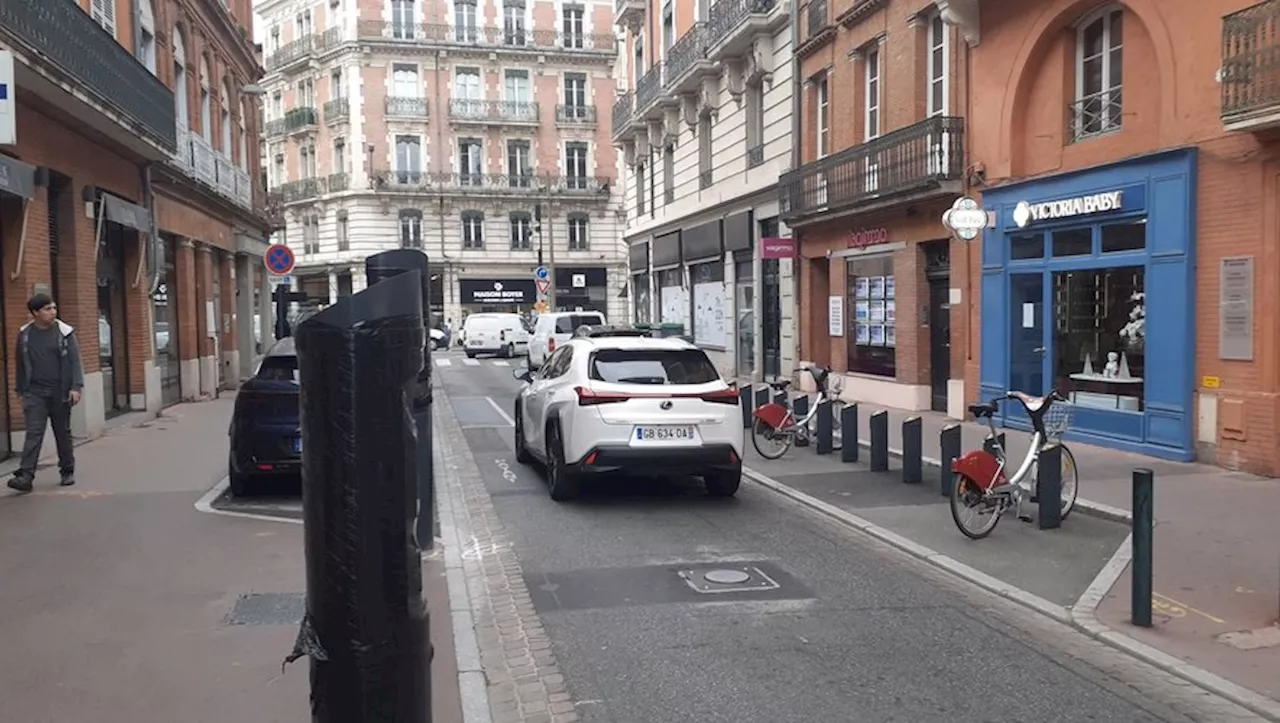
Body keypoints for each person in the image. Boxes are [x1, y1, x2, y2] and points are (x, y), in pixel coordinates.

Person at [8, 294, 84, 492]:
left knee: (63, 433)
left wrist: (76, 387)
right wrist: (20, 389)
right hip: (35, 392)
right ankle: (25, 475)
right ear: (35, 313)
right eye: (47, 309)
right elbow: (20, 363)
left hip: (60, 391)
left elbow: (75, 361)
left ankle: (67, 470)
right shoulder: (25, 334)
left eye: (54, 308)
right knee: (34, 432)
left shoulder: (64, 333)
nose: (53, 312)